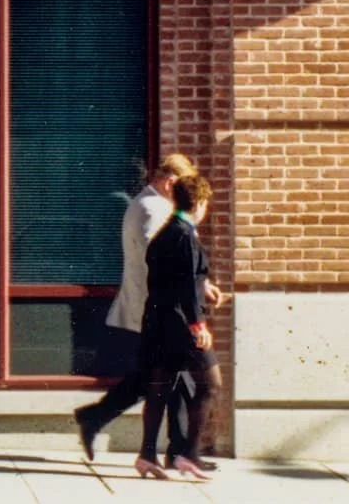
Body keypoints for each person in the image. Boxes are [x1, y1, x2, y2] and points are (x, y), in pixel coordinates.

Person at [74, 152, 196, 460]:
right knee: (172, 376)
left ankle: (96, 418)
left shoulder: (147, 204)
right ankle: (178, 451)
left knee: (158, 377)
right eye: (181, 186)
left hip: (154, 306)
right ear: (170, 182)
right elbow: (166, 259)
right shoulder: (152, 209)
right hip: (158, 309)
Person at [135, 172, 216, 481]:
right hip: (181, 324)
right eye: (205, 202)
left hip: (158, 321)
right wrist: (199, 325)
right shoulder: (185, 235)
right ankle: (189, 454)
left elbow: (176, 280)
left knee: (159, 388)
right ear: (198, 203)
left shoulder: (167, 232)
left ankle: (147, 455)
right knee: (211, 383)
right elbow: (185, 287)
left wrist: (202, 287)